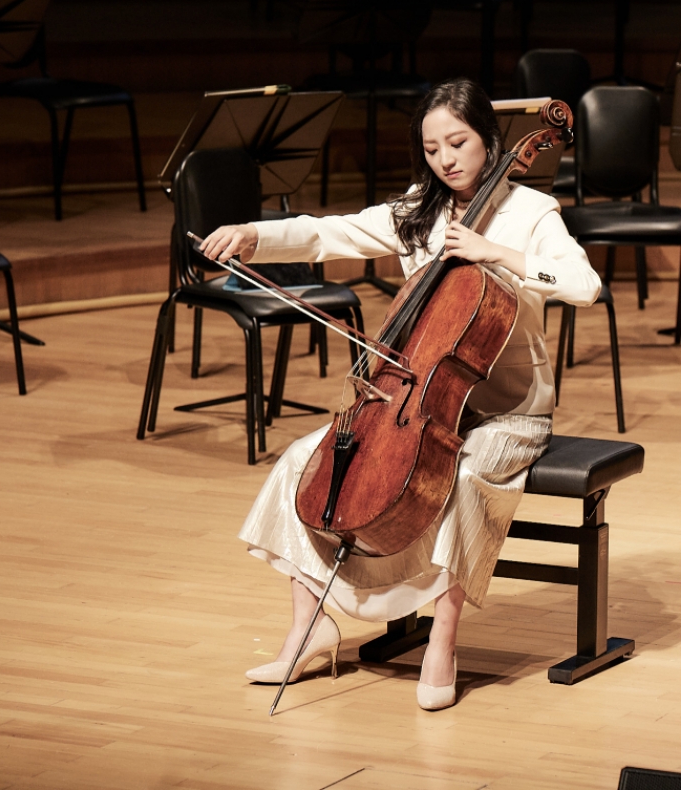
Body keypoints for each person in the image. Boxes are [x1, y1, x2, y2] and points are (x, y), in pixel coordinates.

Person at [199, 78, 602, 711]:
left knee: (464, 479)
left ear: (488, 141)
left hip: (507, 410)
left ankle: (443, 640)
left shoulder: (530, 212)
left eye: (458, 142)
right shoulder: (421, 209)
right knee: (306, 460)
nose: (446, 158)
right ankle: (310, 626)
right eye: (433, 147)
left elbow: (584, 284)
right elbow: (330, 233)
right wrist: (254, 234)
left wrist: (496, 252)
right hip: (414, 402)